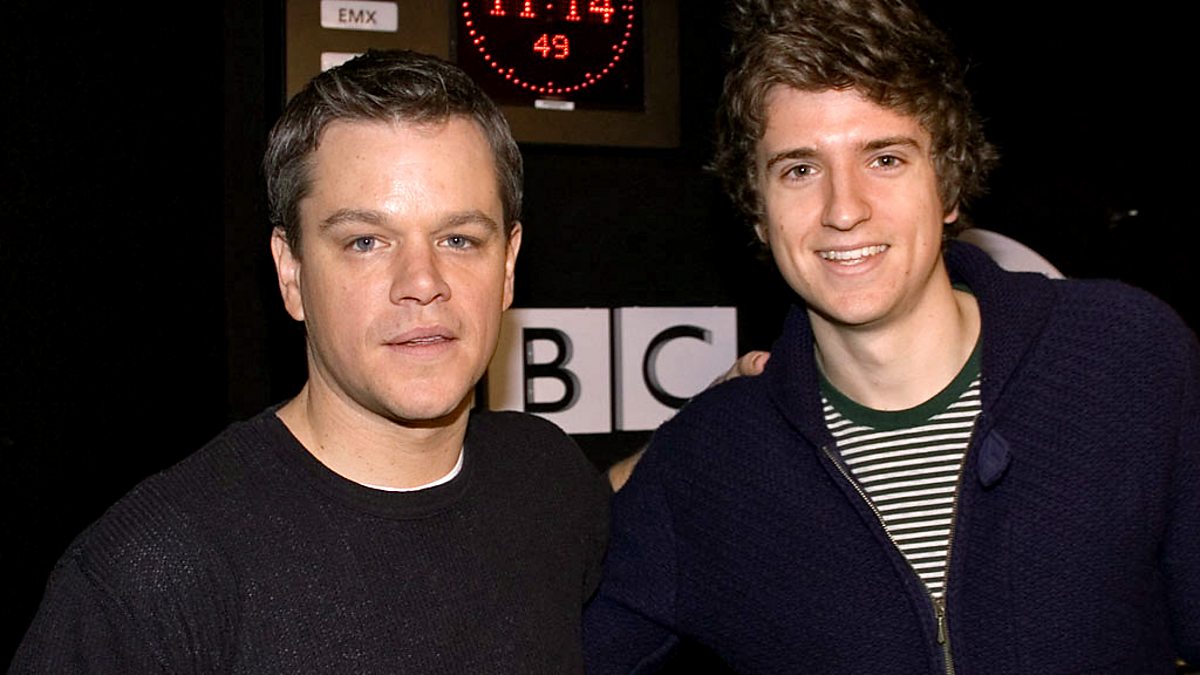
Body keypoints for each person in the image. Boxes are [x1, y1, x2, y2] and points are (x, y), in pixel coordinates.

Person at [583, 0, 1200, 672]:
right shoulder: (711, 464)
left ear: (949, 185)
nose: (844, 209)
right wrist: (662, 458)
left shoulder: (1125, 356)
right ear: (758, 211)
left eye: (884, 158)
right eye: (799, 169)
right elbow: (533, 638)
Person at [10, 49, 611, 673]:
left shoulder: (549, 484)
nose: (422, 282)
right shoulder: (152, 576)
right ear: (290, 273)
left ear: (507, 265)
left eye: (458, 239)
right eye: (366, 241)